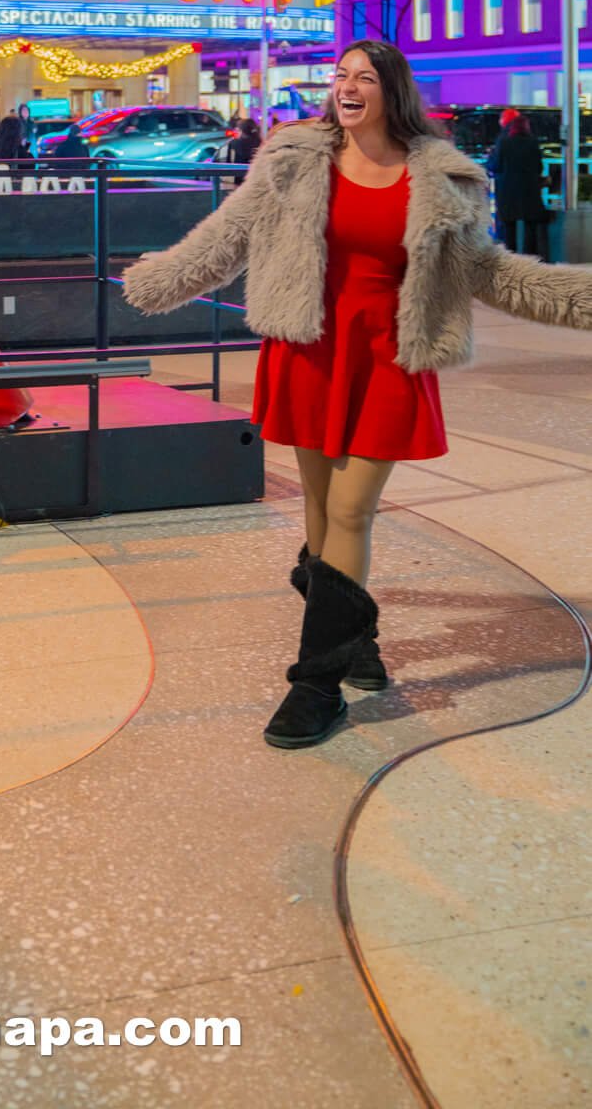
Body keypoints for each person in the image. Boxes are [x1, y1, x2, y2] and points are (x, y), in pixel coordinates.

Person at [121, 39, 592, 752]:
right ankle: (356, 640)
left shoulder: (443, 179)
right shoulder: (294, 158)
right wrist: (158, 281)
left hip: (389, 360)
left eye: (364, 77)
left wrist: (581, 297)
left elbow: (490, 273)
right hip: (309, 350)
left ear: (390, 91)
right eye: (341, 74)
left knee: (349, 510)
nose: (346, 85)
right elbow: (231, 234)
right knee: (319, 512)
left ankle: (316, 685)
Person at [487, 111, 548, 260]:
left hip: (508, 191)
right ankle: (530, 258)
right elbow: (539, 167)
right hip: (529, 190)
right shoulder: (533, 142)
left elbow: (495, 165)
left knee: (509, 227)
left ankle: (511, 258)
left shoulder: (504, 142)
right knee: (530, 226)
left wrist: (490, 157)